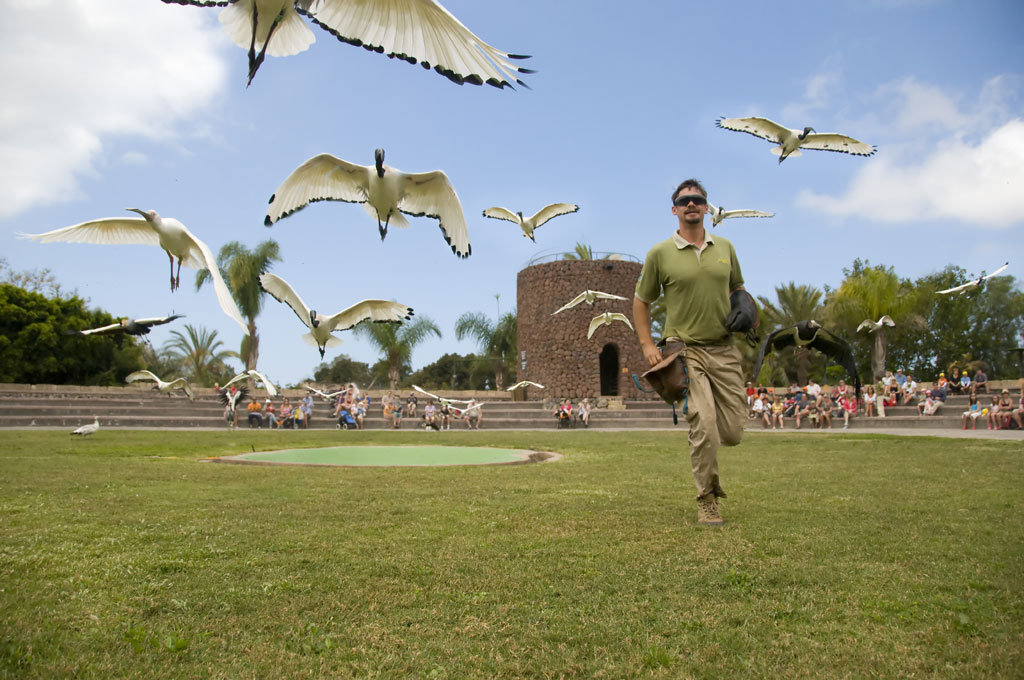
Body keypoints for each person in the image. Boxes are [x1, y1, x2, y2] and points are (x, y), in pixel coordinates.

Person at [633, 178, 747, 526]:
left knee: (732, 432)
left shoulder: (725, 247)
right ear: (675, 209)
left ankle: (704, 439)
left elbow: (738, 288)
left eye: (698, 199)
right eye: (684, 201)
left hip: (724, 350)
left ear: (707, 207)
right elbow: (641, 302)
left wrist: (747, 310)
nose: (691, 204)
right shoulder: (660, 253)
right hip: (684, 350)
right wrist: (648, 344)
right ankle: (707, 500)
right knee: (705, 424)